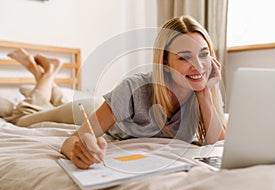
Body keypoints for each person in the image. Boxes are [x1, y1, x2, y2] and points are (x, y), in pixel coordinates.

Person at [61, 15, 227, 169]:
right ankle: (46, 80)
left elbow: (219, 145)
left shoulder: (205, 87)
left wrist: (204, 94)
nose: (198, 65)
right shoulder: (132, 89)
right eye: (184, 57)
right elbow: (71, 140)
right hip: (88, 107)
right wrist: (77, 150)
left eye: (204, 54)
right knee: (40, 110)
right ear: (165, 63)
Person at [4, 49, 99, 127]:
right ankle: (46, 69)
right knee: (59, 106)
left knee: (22, 116)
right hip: (95, 111)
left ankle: (44, 69)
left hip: (96, 108)